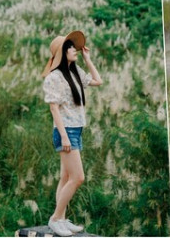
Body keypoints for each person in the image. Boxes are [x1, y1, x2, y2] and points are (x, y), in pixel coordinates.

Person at [41, 30, 102, 237]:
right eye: (69, 47)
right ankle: (56, 218)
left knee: (65, 176)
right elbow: (54, 108)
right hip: (65, 131)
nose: (74, 49)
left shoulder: (75, 73)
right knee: (78, 178)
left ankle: (61, 218)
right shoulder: (54, 77)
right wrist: (64, 136)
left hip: (76, 129)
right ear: (60, 53)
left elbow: (98, 80)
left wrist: (87, 59)